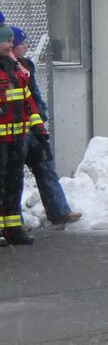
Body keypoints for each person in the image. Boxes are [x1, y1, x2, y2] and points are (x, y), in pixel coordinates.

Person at [12, 27, 81, 226]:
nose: (25, 46)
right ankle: (14, 220)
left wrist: (39, 120)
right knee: (13, 178)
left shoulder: (26, 66)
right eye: (21, 43)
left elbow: (34, 96)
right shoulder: (7, 69)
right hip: (13, 132)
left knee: (45, 168)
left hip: (31, 129)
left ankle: (59, 211)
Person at [0, 24, 34, 245]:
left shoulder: (16, 68)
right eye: (6, 40)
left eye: (11, 40)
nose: (10, 44)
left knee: (14, 182)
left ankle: (12, 228)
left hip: (16, 137)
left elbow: (27, 98)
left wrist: (38, 128)